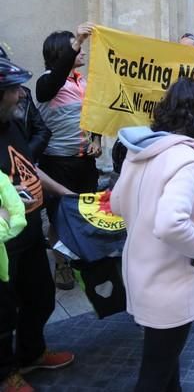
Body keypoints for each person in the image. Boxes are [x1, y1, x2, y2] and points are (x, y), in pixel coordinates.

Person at [112, 78, 194, 392]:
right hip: (170, 280)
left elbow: (118, 203)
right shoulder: (187, 158)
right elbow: (171, 223)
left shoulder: (140, 151)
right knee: (155, 373)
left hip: (140, 273)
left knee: (164, 362)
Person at [0, 58, 76, 392]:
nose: (20, 96)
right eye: (13, 90)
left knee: (41, 297)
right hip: (3, 245)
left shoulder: (12, 123)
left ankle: (31, 353)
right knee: (2, 315)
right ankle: (4, 374)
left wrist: (66, 193)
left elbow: (29, 168)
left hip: (30, 232)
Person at [36, 25, 101, 290]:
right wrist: (76, 42)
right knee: (59, 217)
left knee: (85, 212)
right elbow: (53, 82)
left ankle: (82, 257)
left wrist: (97, 139)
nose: (82, 50)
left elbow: (96, 114)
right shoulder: (46, 82)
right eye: (76, 47)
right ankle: (61, 264)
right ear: (62, 52)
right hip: (58, 162)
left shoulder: (82, 82)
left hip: (85, 161)